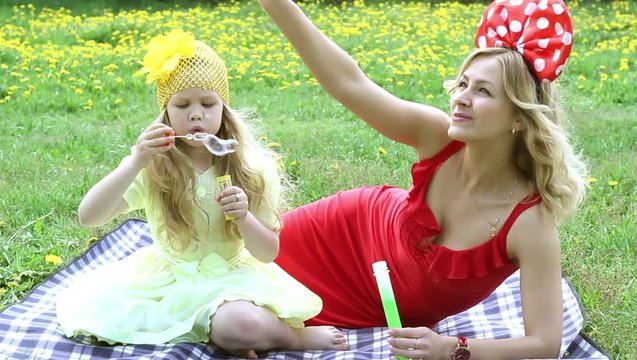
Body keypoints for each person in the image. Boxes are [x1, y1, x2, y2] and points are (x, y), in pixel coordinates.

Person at [256, 0, 587, 359]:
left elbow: (545, 345)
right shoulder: (438, 136)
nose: (461, 99)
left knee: (252, 324)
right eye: (463, 84)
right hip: (342, 235)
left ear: (518, 119)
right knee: (227, 276)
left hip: (367, 307)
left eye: (483, 91)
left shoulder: (530, 223)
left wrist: (454, 349)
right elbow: (349, 83)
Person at [56, 29, 348, 359]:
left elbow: (268, 252)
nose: (196, 114)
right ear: (165, 113)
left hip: (231, 277)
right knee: (111, 313)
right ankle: (225, 338)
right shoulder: (154, 167)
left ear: (224, 110)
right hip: (169, 281)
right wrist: (136, 160)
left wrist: (244, 218)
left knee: (242, 323)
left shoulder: (251, 168)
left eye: (208, 103)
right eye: (182, 104)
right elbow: (89, 216)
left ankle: (291, 339)